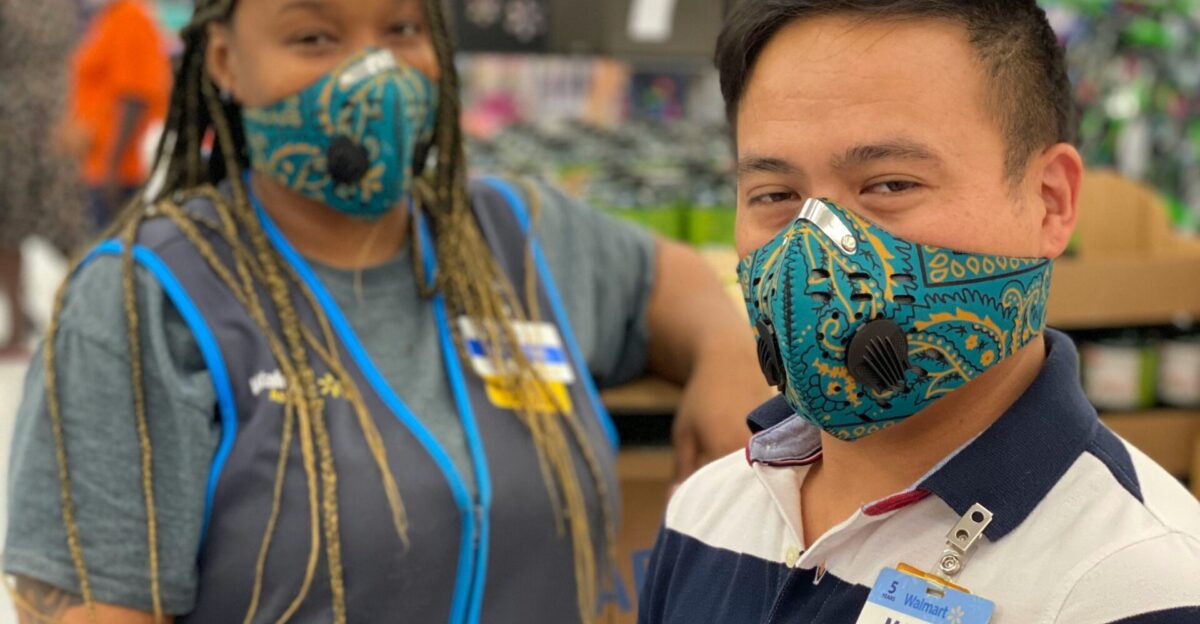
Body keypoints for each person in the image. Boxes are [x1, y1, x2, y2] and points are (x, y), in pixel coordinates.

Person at [3, 0, 769, 621]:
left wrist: (726, 348)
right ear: (225, 61)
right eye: (313, 36)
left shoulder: (512, 233)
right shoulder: (147, 298)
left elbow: (664, 277)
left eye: (402, 28)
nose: (374, 73)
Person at [639, 2, 1200, 623]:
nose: (813, 250)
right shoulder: (705, 511)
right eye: (775, 195)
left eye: (890, 184)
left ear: (1050, 202)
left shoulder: (1138, 588)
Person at [0, 0, 87, 358]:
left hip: (16, 117)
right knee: (67, 224)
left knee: (10, 227)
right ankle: (94, 311)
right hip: (58, 110)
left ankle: (20, 326)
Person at [61, 0, 171, 229]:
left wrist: (112, 167)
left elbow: (135, 97)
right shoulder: (111, 16)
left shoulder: (130, 17)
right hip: (106, 166)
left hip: (124, 171)